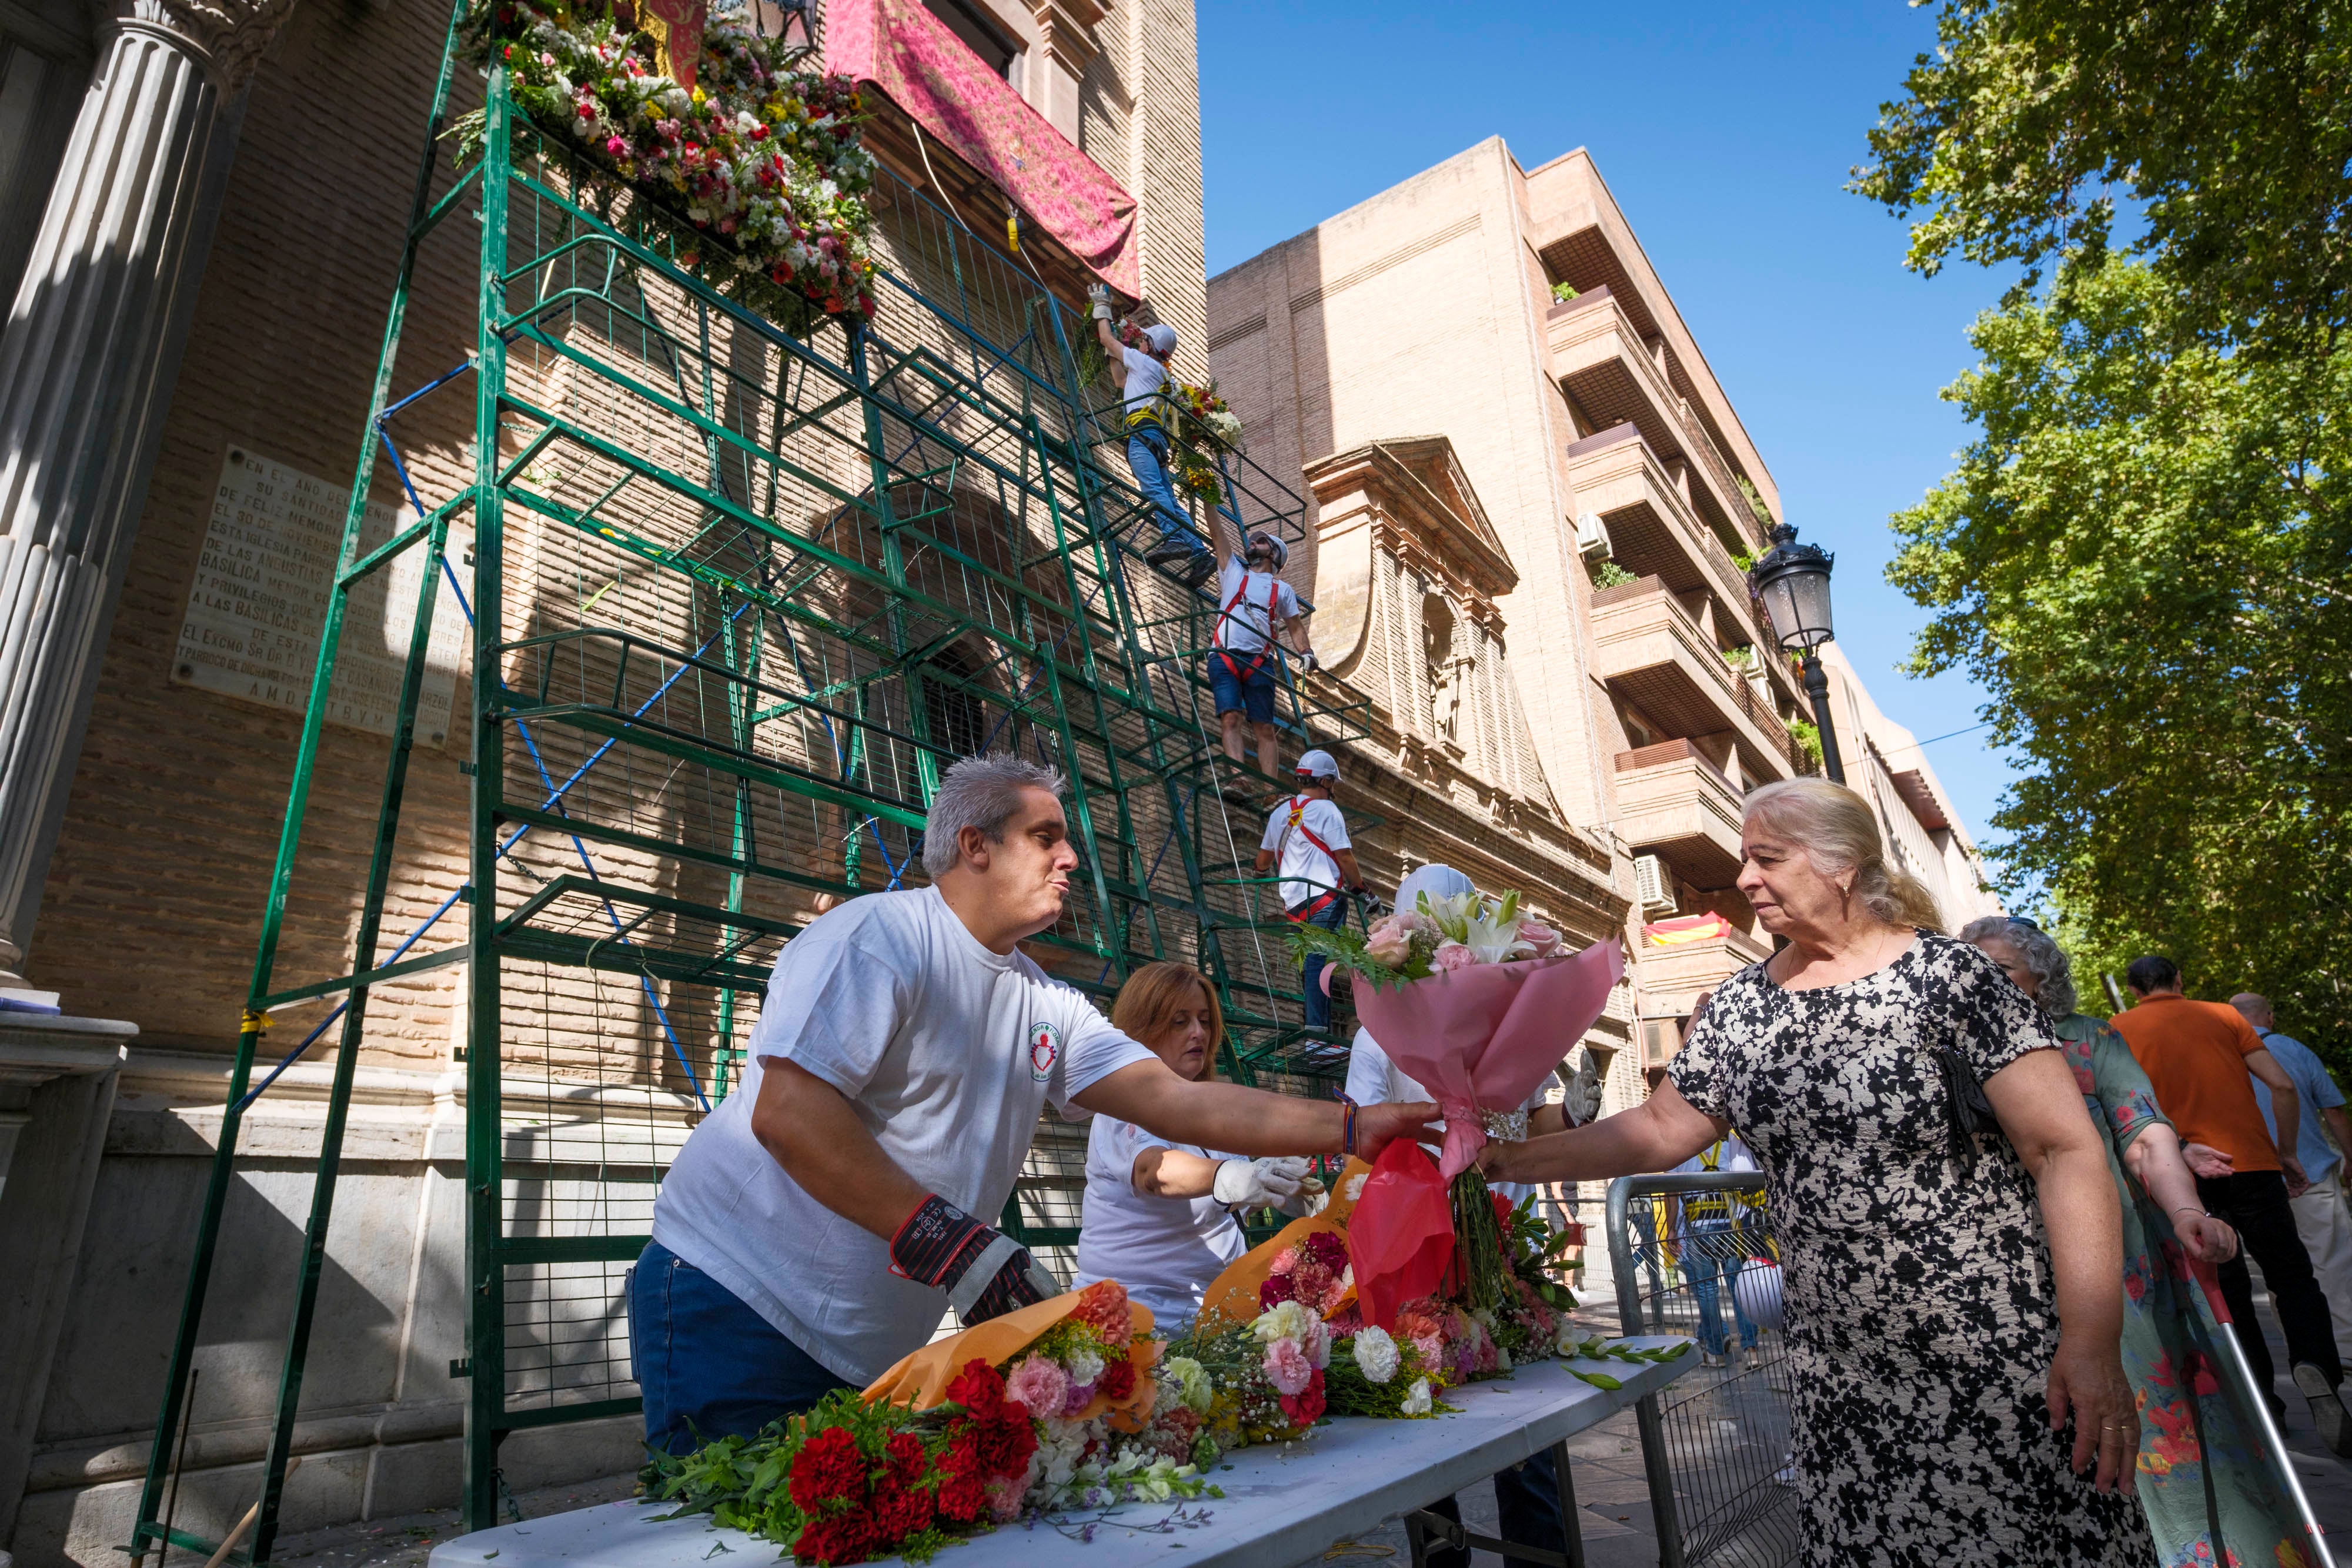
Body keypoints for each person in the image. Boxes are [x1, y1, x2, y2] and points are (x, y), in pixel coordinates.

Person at [630, 753, 1436, 1452]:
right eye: (1046, 836)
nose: (1072, 857)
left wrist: (1351, 1125)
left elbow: (1176, 1100)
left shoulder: (1041, 999)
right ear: (973, 845)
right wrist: (958, 1244)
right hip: (734, 1301)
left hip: (861, 1345)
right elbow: (788, 1113)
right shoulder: (878, 937)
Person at [1486, 778, 2150, 1565]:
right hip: (1843, 1378)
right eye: (1743, 856)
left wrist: (2092, 1339)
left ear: (1840, 865)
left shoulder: (1953, 980)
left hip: (1993, 1357)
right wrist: (1504, 1158)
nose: (1744, 878)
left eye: (1766, 857)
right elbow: (1663, 1127)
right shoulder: (1742, 1007)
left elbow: (2065, 1149)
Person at [1964, 917, 2310, 1562]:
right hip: (1994, 1280)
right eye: (1971, 966)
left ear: (2041, 980)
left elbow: (2145, 1136)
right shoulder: (1945, 1055)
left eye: (2000, 967)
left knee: (2145, 1428)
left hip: (2109, 1270)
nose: (1980, 978)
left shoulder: (2089, 1040)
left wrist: (2184, 1212)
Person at [1341, 863, 1575, 1568]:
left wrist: (1580, 1098)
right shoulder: (1377, 1033)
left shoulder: (1510, 1022)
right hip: (1422, 1251)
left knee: (1527, 1421)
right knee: (1422, 1413)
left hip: (1512, 1246)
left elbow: (1543, 1125)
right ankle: (1440, 1558)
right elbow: (1361, 1136)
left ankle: (1540, 1558)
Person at [2110, 955, 2352, 1449]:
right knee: (2292, 1275)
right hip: (2253, 1165)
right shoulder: (2224, 1014)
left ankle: (2266, 1409)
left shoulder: (2117, 1029)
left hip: (2184, 1173)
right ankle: (2315, 1364)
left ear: (2134, 991)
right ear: (2180, 980)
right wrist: (2286, 1151)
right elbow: (2282, 1085)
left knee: (2230, 1290)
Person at [1070, 962, 1316, 1330]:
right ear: (1142, 1030)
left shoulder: (1208, 1106)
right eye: (1180, 1021)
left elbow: (1224, 1201)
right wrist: (1238, 1176)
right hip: (1133, 1325)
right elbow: (1155, 1172)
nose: (1199, 1032)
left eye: (1204, 1020)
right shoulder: (1123, 1104)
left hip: (1211, 1320)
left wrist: (1282, 1186)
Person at [2232, 991, 2352, 1364]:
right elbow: (2332, 1111)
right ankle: (2345, 1350)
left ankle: (2305, 1354)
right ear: (2269, 1016)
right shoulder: (2295, 1050)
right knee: (2332, 1261)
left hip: (2254, 1180)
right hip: (2311, 1173)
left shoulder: (2221, 1054)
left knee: (2281, 1270)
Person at [1088, 284, 1211, 584]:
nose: (1140, 343)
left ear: (1150, 346)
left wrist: (1101, 306)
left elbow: (1104, 335)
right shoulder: (1161, 375)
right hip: (1156, 440)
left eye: (1144, 340)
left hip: (1142, 437)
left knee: (1155, 492)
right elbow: (1119, 381)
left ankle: (1174, 538)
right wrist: (1114, 349)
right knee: (1168, 496)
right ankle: (1200, 553)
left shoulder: (1144, 363)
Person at [1257, 749, 1368, 1037]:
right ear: (1327, 781)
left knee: (1315, 961)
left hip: (1294, 904)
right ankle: (1317, 1033)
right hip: (1326, 898)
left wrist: (1257, 872)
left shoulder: (1280, 813)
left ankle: (1318, 1028)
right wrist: (1362, 889)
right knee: (1322, 961)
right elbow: (1345, 857)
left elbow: (1263, 861)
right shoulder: (1328, 811)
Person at [1206, 526, 1314, 780]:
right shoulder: (1233, 572)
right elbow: (1216, 533)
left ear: (1275, 555)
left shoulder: (1282, 590)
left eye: (1261, 541)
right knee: (1230, 717)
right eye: (1252, 540)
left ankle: (1270, 790)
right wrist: (1206, 492)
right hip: (1224, 656)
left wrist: (1306, 652)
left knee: (1265, 727)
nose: (1253, 542)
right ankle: (1238, 778)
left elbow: (1295, 626)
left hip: (1259, 661)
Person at [1670, 1132, 1761, 1370]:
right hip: (1730, 1229)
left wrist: (1670, 1230)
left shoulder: (1679, 1155)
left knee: (1706, 1291)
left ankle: (1715, 1353)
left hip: (1699, 1230)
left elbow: (1671, 1195)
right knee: (1739, 1289)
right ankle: (1751, 1350)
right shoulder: (1728, 1150)